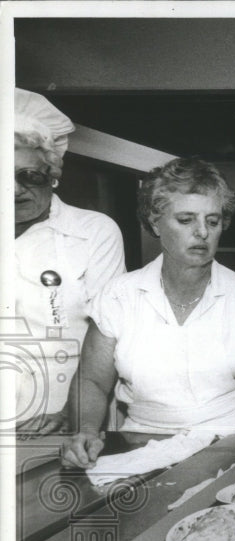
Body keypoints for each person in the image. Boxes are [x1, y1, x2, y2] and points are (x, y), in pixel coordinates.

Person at [60, 158, 235, 468]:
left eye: (213, 220)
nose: (202, 232)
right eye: (185, 220)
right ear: (156, 223)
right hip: (143, 446)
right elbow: (92, 381)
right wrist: (86, 430)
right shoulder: (118, 297)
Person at [13, 88, 126, 435]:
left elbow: (109, 330)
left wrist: (74, 411)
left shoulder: (94, 231)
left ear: (53, 174)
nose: (15, 190)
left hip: (69, 413)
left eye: (29, 176)